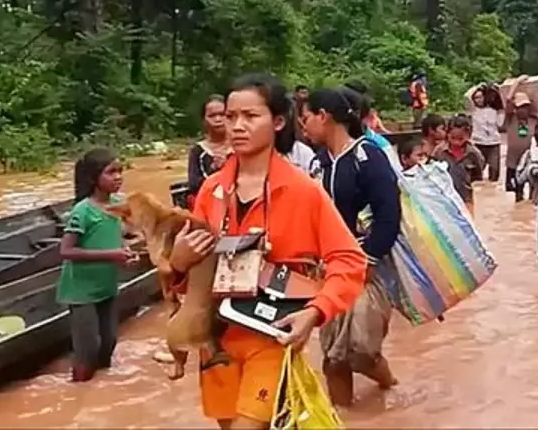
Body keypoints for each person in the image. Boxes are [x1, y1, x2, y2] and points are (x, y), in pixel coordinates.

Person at [169, 74, 367, 427]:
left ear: (278, 122)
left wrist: (316, 312)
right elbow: (190, 280)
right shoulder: (211, 191)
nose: (237, 127)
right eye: (231, 117)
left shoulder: (303, 190)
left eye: (250, 116)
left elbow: (349, 260)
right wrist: (179, 263)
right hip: (217, 338)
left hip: (271, 333)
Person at [303, 86, 402, 406]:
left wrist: (369, 259)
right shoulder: (319, 163)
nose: (303, 126)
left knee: (361, 351)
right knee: (333, 359)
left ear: (324, 117)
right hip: (328, 269)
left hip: (366, 267)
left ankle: (389, 385)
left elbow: (389, 215)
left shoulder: (367, 156)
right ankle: (343, 419)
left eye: (306, 118)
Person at [58, 147, 138, 382]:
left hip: (106, 286)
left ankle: (99, 392)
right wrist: (111, 255)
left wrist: (126, 253)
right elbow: (66, 250)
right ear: (94, 179)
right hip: (81, 291)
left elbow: (118, 236)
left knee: (109, 344)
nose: (118, 177)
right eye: (111, 172)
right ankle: (79, 391)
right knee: (87, 349)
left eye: (120, 171)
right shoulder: (82, 211)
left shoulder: (119, 205)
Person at [432, 115, 486, 212]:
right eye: (453, 138)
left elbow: (478, 173)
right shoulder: (439, 151)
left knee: (468, 223)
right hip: (445, 197)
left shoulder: (474, 154)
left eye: (460, 139)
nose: (456, 142)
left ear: (469, 136)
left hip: (466, 197)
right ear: (447, 134)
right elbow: (432, 171)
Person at [187, 95, 231, 200]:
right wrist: (214, 169)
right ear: (204, 120)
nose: (218, 119)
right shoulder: (198, 151)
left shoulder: (241, 145)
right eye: (212, 116)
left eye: (222, 114)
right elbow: (194, 186)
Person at [502, 83, 538, 202]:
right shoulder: (510, 119)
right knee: (517, 190)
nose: (523, 110)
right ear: (515, 108)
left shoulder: (534, 121)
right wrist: (518, 82)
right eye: (520, 107)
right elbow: (507, 100)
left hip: (530, 160)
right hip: (513, 161)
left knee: (533, 191)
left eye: (525, 107)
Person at [468, 85, 504, 183]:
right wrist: (479, 86)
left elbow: (500, 124)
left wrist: (501, 111)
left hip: (494, 144)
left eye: (480, 97)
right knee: (476, 174)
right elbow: (466, 96)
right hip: (478, 144)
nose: (478, 100)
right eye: (476, 98)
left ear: (485, 97)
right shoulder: (473, 110)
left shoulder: (495, 111)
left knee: (494, 173)